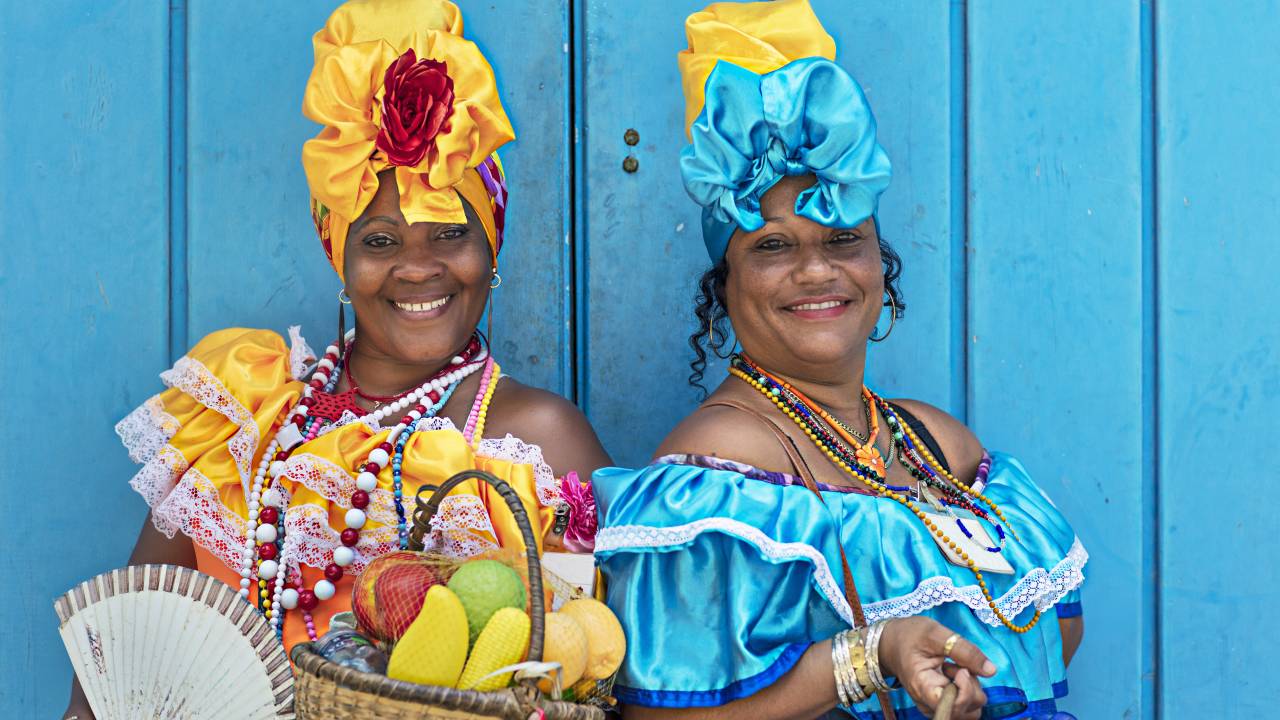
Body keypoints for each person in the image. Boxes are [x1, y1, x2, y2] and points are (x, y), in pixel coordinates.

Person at [63, 1, 609, 717]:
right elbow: (118, 666)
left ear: (490, 251)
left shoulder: (538, 440)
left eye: (449, 233)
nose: (418, 269)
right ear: (340, 259)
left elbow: (587, 673)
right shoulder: (242, 419)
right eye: (380, 241)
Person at [591, 2, 1085, 718]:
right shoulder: (717, 465)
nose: (816, 271)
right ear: (723, 286)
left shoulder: (936, 442)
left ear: (879, 266)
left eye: (842, 240)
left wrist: (960, 673)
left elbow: (1051, 633)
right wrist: (868, 658)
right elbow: (657, 716)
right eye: (773, 245)